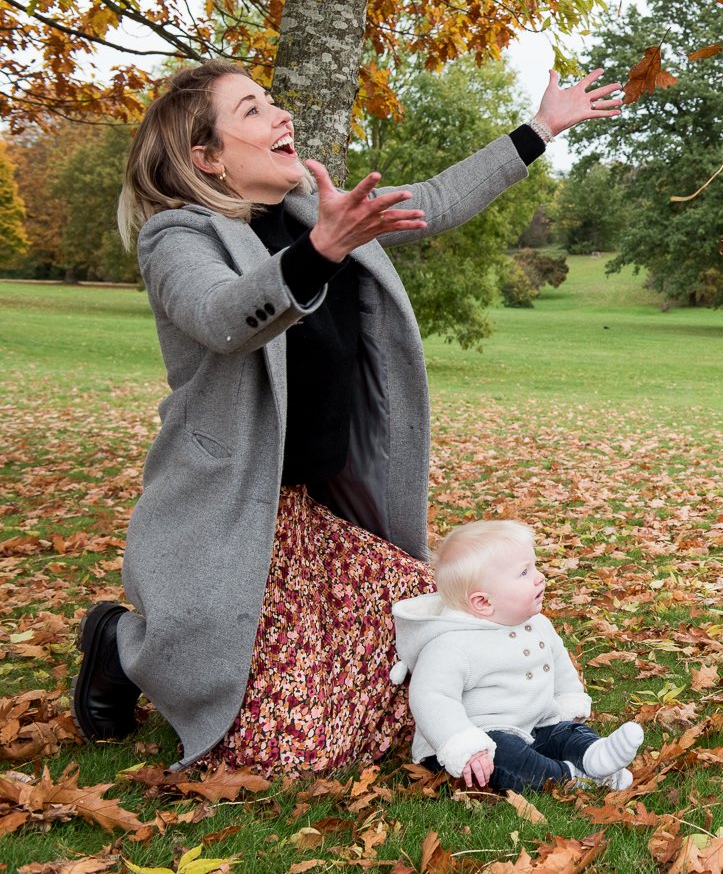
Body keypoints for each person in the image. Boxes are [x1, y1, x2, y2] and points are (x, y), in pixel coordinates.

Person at [71, 60, 621, 773]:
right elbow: (221, 315)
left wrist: (541, 127)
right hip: (235, 520)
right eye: (252, 110)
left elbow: (435, 199)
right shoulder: (178, 238)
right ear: (206, 157)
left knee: (432, 651)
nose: (280, 116)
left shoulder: (309, 207)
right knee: (283, 750)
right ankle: (119, 644)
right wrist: (323, 250)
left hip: (313, 514)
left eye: (272, 100)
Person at [389, 521, 643, 791]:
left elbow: (558, 662)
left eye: (534, 566)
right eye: (524, 573)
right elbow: (432, 697)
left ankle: (594, 755)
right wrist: (463, 743)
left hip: (535, 726)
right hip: (481, 742)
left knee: (565, 732)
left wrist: (569, 701)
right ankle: (572, 778)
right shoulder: (451, 645)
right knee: (508, 758)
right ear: (484, 602)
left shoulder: (537, 624)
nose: (539, 577)